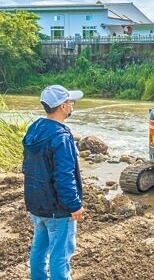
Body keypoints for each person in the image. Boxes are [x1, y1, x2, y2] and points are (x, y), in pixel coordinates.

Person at [22, 84, 84, 280]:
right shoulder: (62, 137)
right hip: (57, 208)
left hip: (36, 204)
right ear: (63, 107)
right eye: (71, 102)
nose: (73, 105)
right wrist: (74, 205)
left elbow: (27, 168)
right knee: (60, 255)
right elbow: (64, 177)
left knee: (39, 249)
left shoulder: (35, 129)